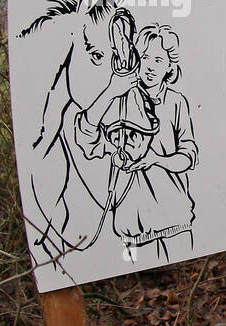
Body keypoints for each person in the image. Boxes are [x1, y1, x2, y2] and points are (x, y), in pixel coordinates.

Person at [76, 23, 198, 261]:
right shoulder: (118, 101)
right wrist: (111, 91)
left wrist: (157, 160)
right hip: (132, 228)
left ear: (170, 67)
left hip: (177, 221)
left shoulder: (176, 102)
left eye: (159, 60)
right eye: (145, 57)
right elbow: (86, 137)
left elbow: (189, 154)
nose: (151, 66)